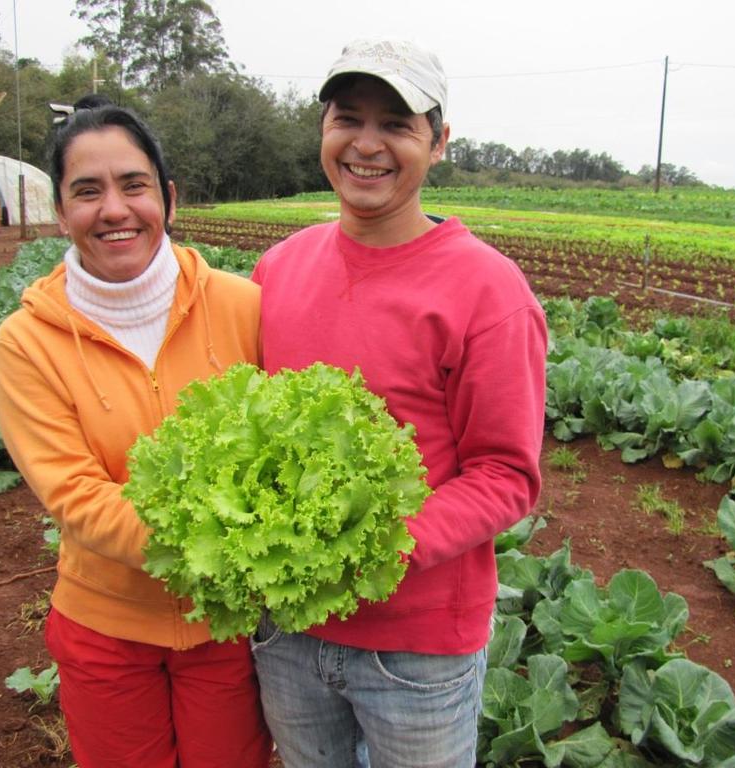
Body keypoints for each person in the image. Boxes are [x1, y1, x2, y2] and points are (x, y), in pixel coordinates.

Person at [250, 38, 548, 767]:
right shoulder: (277, 269)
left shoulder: (489, 291)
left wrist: (379, 545)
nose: (367, 144)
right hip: (288, 632)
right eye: (348, 118)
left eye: (398, 124)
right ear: (322, 131)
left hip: (417, 651)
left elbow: (507, 475)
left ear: (439, 144)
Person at [0, 95, 272, 768]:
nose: (114, 209)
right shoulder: (26, 344)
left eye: (133, 185)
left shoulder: (245, 306)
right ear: (61, 213)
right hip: (104, 628)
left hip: (227, 627)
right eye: (86, 192)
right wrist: (220, 545)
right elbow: (77, 499)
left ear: (168, 198)